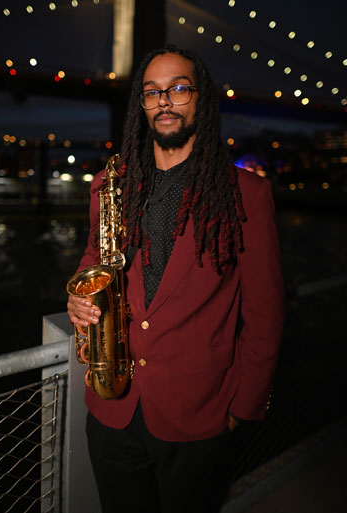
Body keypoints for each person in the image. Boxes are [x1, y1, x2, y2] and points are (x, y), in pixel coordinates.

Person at [67, 45, 284, 513]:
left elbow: (265, 315)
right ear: (142, 105)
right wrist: (80, 298)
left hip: (200, 418)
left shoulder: (248, 194)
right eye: (152, 92)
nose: (164, 100)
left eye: (179, 88)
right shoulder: (109, 184)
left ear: (201, 98)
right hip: (112, 407)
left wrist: (240, 411)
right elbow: (94, 256)